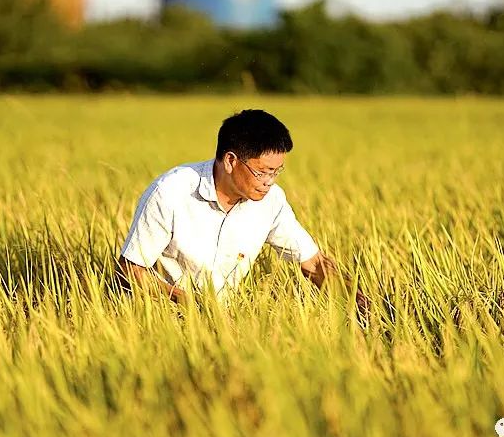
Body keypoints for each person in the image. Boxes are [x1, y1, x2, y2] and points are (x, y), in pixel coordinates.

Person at [117, 109, 369, 317]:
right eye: (262, 172)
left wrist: (362, 303)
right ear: (230, 161)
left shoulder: (271, 201)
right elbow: (130, 269)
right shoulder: (171, 192)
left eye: (276, 171)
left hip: (228, 321)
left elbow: (313, 264)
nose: (269, 181)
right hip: (161, 319)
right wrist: (194, 307)